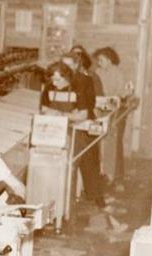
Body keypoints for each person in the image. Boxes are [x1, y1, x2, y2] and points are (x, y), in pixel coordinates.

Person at [40, 60, 107, 208]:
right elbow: (44, 110)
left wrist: (59, 114)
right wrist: (69, 115)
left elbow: (83, 115)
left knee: (78, 165)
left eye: (58, 79)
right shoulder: (49, 88)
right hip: (56, 132)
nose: (54, 83)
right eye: (52, 79)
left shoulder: (78, 89)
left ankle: (76, 204)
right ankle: (56, 205)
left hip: (77, 133)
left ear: (67, 77)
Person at [93, 46, 129, 182]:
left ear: (109, 60)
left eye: (101, 60)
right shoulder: (98, 72)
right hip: (100, 108)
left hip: (115, 110)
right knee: (100, 141)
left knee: (113, 142)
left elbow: (122, 92)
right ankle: (101, 170)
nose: (98, 62)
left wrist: (115, 98)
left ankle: (115, 175)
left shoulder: (117, 73)